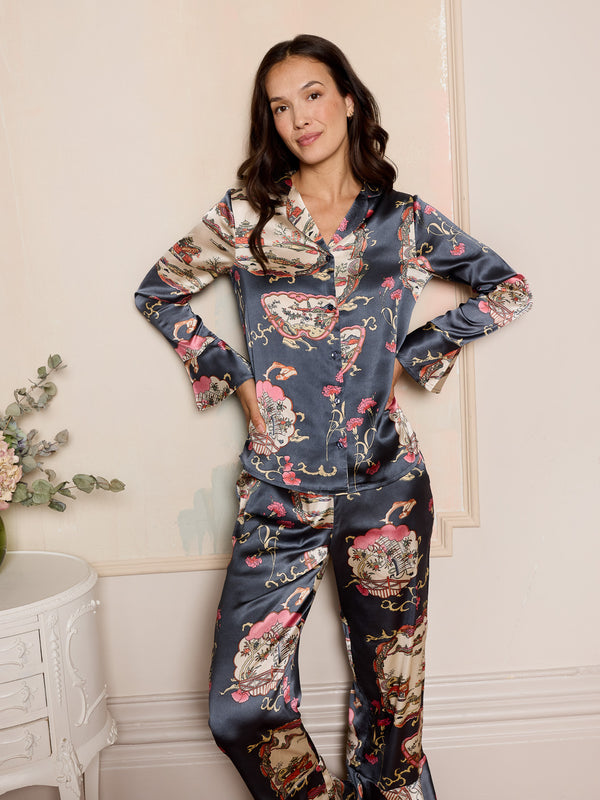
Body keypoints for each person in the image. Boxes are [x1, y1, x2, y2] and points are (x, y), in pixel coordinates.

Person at [135, 34, 532, 800]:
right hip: (280, 488)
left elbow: (507, 288)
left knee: (393, 714)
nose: (299, 118)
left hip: (387, 485)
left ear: (347, 100)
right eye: (280, 107)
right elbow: (160, 292)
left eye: (312, 95)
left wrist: (414, 354)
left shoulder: (403, 220)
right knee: (240, 706)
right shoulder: (247, 218)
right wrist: (233, 375)